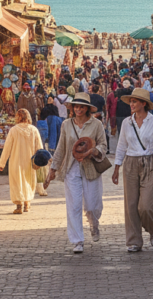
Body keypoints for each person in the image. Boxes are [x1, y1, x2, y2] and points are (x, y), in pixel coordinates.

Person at [45, 93, 107, 254]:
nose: (78, 109)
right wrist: (53, 169)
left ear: (87, 108)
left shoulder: (97, 124)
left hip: (91, 168)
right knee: (74, 205)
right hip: (71, 169)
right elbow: (61, 148)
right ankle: (77, 240)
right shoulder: (66, 124)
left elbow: (103, 145)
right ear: (72, 108)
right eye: (76, 106)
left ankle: (94, 224)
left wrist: (94, 151)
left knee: (93, 206)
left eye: (82, 106)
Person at [112, 88, 153, 252]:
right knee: (131, 205)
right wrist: (116, 167)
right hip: (130, 163)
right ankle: (134, 240)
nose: (131, 104)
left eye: (135, 101)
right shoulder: (126, 123)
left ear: (144, 104)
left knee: (146, 205)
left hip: (150, 162)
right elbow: (121, 146)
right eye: (131, 101)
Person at [0, 109, 45, 214]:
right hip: (30, 162)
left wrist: (2, 163)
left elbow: (7, 148)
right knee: (29, 182)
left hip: (16, 162)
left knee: (17, 182)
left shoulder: (14, 130)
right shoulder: (34, 130)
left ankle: (19, 205)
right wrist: (40, 161)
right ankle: (27, 204)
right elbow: (40, 148)